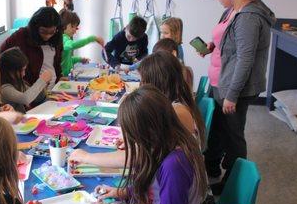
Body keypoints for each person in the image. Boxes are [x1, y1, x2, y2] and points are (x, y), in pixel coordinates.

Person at [62, 86, 206, 204]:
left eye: (131, 134)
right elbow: (158, 191)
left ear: (147, 132)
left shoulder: (175, 165)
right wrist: (124, 192)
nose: (130, 141)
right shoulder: (170, 143)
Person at [202, 0, 275, 194]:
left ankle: (232, 183)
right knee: (215, 130)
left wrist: (231, 95)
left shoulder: (249, 18)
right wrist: (213, 46)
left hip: (234, 88)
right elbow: (228, 40)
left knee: (233, 137)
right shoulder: (233, 10)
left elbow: (245, 59)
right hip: (220, 81)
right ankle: (211, 169)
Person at [67, 51, 204, 169]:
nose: (140, 86)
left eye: (143, 81)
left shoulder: (176, 112)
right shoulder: (177, 103)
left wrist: (86, 157)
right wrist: (137, 139)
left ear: (157, 83)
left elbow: (137, 157)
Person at [0, 7, 63, 87]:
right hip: (32, 91)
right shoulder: (21, 36)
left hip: (53, 88)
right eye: (43, 32)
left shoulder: (56, 37)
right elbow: (2, 57)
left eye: (52, 32)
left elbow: (56, 62)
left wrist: (59, 77)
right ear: (36, 27)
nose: (48, 36)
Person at [0, 47, 52, 113]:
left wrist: (44, 84)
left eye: (24, 70)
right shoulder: (4, 88)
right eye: (21, 70)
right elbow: (25, 99)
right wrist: (42, 81)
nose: (24, 74)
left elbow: (37, 98)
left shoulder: (17, 82)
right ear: (9, 71)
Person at [59, 9, 104, 76]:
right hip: (61, 77)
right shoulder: (63, 38)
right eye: (72, 26)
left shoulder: (66, 39)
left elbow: (67, 60)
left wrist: (80, 59)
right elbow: (72, 45)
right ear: (63, 25)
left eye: (76, 28)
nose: (75, 30)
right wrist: (92, 38)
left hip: (66, 76)